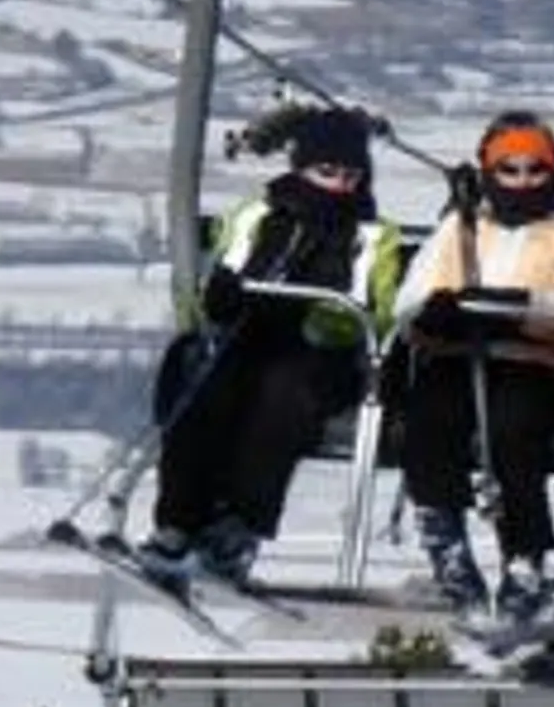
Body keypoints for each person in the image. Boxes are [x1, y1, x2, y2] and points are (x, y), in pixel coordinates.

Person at [139, 107, 402, 590]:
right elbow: (225, 269)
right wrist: (221, 297)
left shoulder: (370, 235)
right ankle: (177, 522)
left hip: (323, 353)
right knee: (205, 383)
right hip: (249, 335)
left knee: (283, 396)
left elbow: (379, 310)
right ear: (301, 168)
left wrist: (323, 317)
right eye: (327, 173)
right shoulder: (259, 214)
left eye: (350, 176)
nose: (340, 186)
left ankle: (239, 526)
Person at [392, 111, 554, 618]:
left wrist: (520, 308)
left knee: (512, 429)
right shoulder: (461, 228)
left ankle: (525, 554)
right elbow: (410, 302)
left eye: (536, 169)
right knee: (429, 420)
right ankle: (446, 542)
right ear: (489, 170)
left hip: (535, 361)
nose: (523, 181)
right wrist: (435, 315)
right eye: (509, 169)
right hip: (459, 354)